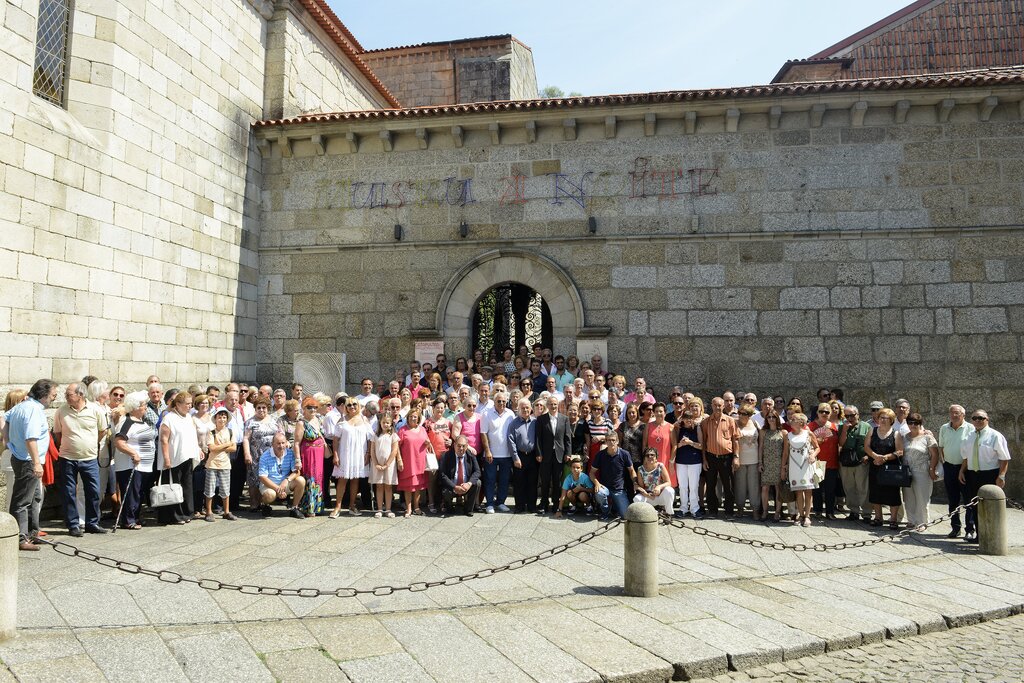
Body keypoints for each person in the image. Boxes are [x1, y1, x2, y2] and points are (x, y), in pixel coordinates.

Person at [4, 379, 57, 550]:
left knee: (34, 498)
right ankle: (19, 538)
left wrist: (7, 440)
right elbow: (31, 438)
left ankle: (33, 532)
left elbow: (2, 418)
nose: (54, 398)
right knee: (22, 501)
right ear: (43, 395)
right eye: (53, 395)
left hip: (22, 458)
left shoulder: (23, 406)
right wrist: (36, 463)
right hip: (28, 460)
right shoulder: (33, 409)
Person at [53, 382, 109, 536]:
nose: (65, 397)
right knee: (68, 492)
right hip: (67, 458)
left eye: (69, 394)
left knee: (93, 491)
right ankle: (73, 525)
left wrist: (89, 444)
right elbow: (57, 433)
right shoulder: (61, 411)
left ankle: (92, 523)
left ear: (81, 395)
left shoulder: (95, 410)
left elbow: (102, 431)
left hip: (89, 458)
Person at [958, 410, 1011, 544]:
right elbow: (966, 457)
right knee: (975, 506)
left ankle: (993, 536)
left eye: (980, 418)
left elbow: (1004, 459)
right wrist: (962, 471)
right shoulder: (969, 436)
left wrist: (1002, 476)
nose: (977, 421)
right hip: (972, 474)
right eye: (974, 418)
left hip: (989, 474)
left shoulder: (995, 436)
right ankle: (980, 535)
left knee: (991, 506)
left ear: (987, 419)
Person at [112, 391, 157, 530]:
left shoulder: (141, 421)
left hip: (144, 466)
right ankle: (128, 520)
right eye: (144, 405)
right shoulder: (127, 422)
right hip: (130, 465)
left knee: (138, 492)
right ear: (136, 407)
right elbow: (119, 442)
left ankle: (135, 517)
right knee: (131, 491)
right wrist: (133, 453)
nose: (146, 408)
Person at [157, 391, 201, 525]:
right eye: (187, 404)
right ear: (178, 404)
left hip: (187, 456)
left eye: (190, 404)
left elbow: (191, 436)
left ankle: (187, 512)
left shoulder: (188, 417)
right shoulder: (169, 418)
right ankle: (174, 516)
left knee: (186, 486)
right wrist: (167, 458)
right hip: (173, 457)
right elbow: (164, 440)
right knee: (173, 486)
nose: (189, 406)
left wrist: (197, 449)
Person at [331, 399, 372, 517]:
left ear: (358, 405)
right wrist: (335, 454)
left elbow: (370, 438)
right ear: (346, 407)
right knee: (342, 479)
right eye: (349, 404)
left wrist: (368, 453)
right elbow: (335, 439)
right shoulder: (342, 420)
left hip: (359, 454)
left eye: (354, 404)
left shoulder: (364, 419)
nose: (352, 406)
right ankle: (337, 507)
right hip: (345, 454)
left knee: (355, 479)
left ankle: (352, 505)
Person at [865, 407, 904, 529]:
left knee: (892, 494)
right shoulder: (872, 430)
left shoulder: (896, 433)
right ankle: (878, 517)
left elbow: (900, 452)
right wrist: (875, 456)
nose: (883, 420)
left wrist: (885, 458)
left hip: (890, 468)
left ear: (891, 420)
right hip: (875, 466)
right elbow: (866, 446)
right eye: (881, 417)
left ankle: (893, 519)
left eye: (886, 418)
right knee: (875, 492)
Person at [937, 404, 972, 538]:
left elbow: (970, 451)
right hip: (949, 467)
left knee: (969, 500)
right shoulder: (944, 428)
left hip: (966, 468)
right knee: (952, 500)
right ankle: (955, 528)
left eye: (956, 413)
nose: (953, 415)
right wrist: (944, 462)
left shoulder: (970, 428)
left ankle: (970, 529)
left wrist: (963, 468)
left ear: (963, 414)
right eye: (951, 412)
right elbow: (941, 446)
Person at [700, 397, 739, 518]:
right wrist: (704, 459)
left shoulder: (730, 421)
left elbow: (735, 440)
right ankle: (712, 510)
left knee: (728, 485)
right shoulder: (705, 422)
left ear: (723, 406)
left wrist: (736, 457)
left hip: (726, 458)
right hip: (711, 457)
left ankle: (729, 511)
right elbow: (704, 442)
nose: (717, 407)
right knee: (710, 485)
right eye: (715, 405)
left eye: (720, 405)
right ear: (711, 406)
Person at [901, 412, 940, 529]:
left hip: (922, 470)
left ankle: (922, 522)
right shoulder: (904, 437)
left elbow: (935, 455)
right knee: (908, 497)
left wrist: (932, 469)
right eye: (910, 422)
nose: (913, 425)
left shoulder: (928, 437)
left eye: (916, 423)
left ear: (920, 423)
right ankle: (911, 520)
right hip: (907, 471)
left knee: (922, 497)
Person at [242, 397, 281, 513]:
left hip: (271, 455)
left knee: (268, 478)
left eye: (264, 407)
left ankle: (266, 503)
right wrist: (247, 454)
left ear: (268, 408)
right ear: (255, 409)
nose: (261, 410)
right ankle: (254, 504)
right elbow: (245, 439)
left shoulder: (274, 420)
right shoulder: (251, 422)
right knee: (254, 480)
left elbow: (280, 435)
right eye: (258, 408)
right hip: (256, 455)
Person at [781, 412, 820, 527]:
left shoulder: (808, 433)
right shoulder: (788, 435)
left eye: (793, 419)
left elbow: (817, 447)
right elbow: (785, 453)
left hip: (807, 466)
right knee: (798, 492)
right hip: (794, 466)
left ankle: (807, 516)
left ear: (801, 422)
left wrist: (813, 455)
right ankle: (800, 514)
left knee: (808, 491)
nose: (790, 420)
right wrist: (783, 468)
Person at [480, 392, 515, 514]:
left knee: (504, 480)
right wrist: (487, 450)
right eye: (499, 401)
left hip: (506, 454)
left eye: (504, 401)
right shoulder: (486, 414)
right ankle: (489, 503)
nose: (501, 403)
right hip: (491, 454)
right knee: (490, 479)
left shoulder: (510, 414)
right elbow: (483, 433)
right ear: (494, 402)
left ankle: (500, 502)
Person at [537, 395, 572, 513]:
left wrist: (568, 453)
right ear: (547, 406)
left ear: (558, 405)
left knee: (557, 481)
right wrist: (539, 453)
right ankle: (544, 503)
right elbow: (538, 438)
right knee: (545, 480)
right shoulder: (541, 419)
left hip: (559, 455)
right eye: (551, 404)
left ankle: (556, 504)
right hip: (545, 455)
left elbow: (567, 438)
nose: (553, 406)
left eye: (555, 404)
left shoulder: (564, 419)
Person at [838, 405, 872, 523]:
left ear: (858, 415)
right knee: (849, 487)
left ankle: (867, 513)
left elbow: (870, 444)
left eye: (852, 415)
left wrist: (868, 456)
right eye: (847, 416)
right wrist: (845, 431)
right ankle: (854, 511)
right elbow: (841, 443)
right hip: (846, 461)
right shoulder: (842, 427)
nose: (850, 418)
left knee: (863, 487)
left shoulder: (866, 426)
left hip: (861, 461)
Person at [258, 432, 305, 518]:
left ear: (286, 442)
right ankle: (265, 505)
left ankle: (294, 508)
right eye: (278, 443)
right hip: (269, 485)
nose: (281, 446)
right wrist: (277, 488)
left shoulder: (290, 453)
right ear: (272, 444)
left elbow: (297, 472)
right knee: (269, 495)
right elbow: (262, 477)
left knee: (301, 480)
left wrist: (287, 480)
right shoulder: (265, 456)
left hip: (285, 483)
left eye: (283, 443)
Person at [591, 431, 635, 520]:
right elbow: (591, 473)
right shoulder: (600, 455)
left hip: (618, 489)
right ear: (605, 442)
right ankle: (605, 511)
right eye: (608, 440)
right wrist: (597, 483)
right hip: (604, 487)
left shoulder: (624, 454)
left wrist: (635, 483)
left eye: (613, 440)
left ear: (617, 441)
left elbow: (631, 471)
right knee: (599, 493)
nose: (611, 442)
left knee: (625, 516)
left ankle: (614, 508)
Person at [397, 409, 433, 517]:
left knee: (418, 486)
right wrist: (399, 459)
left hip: (420, 461)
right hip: (408, 461)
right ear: (407, 418)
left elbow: (428, 446)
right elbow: (397, 447)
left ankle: (416, 507)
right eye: (411, 416)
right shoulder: (403, 430)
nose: (413, 418)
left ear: (418, 418)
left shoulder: (422, 429)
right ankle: (408, 509)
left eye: (415, 417)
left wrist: (428, 443)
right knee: (408, 486)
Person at [204, 407, 237, 521]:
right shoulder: (211, 432)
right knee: (210, 488)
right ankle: (209, 512)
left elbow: (234, 448)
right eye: (219, 417)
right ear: (215, 418)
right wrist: (226, 445)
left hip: (225, 464)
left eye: (224, 417)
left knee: (225, 488)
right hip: (212, 464)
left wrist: (221, 447)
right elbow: (212, 448)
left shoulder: (230, 431)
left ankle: (226, 511)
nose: (222, 419)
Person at [295, 398, 326, 517]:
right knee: (310, 479)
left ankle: (317, 506)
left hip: (319, 454)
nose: (313, 409)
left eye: (315, 407)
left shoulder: (318, 420)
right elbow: (297, 443)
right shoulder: (301, 423)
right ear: (304, 409)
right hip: (308, 453)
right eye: (309, 407)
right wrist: (298, 459)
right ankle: (308, 507)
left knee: (319, 479)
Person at [508, 397, 540, 513]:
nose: (525, 409)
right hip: (520, 456)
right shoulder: (513, 424)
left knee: (532, 482)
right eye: (523, 408)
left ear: (531, 408)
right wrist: (515, 458)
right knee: (519, 483)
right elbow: (510, 441)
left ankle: (532, 506)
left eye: (527, 407)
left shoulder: (536, 422)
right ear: (518, 409)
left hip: (533, 456)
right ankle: (519, 506)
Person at [758, 409, 790, 522]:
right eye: (769, 417)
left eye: (773, 417)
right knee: (765, 488)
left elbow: (785, 451)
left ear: (777, 419)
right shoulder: (763, 432)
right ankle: (765, 511)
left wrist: (783, 467)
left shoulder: (783, 433)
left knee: (778, 488)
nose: (771, 419)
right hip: (766, 463)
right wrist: (760, 462)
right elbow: (760, 447)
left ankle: (777, 512)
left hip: (778, 463)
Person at [810, 403, 840, 519]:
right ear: (817, 412)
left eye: (827, 412)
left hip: (832, 461)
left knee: (830, 489)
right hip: (817, 461)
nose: (824, 414)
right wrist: (816, 441)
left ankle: (830, 511)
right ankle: (817, 510)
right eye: (821, 411)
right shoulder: (811, 426)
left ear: (830, 413)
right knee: (817, 488)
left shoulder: (834, 426)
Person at [439, 435, 480, 517]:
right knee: (445, 489)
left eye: (464, 446)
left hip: (465, 485)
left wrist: (468, 484)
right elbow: (442, 475)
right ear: (454, 445)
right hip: (452, 486)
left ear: (467, 446)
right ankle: (449, 508)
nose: (461, 448)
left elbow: (477, 471)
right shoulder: (446, 456)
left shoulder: (471, 456)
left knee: (477, 483)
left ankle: (468, 509)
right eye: (459, 446)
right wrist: (454, 487)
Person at [733, 404, 761, 519]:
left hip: (754, 459)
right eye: (739, 413)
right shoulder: (735, 424)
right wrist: (735, 457)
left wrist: (760, 460)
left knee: (754, 486)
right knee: (740, 485)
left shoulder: (755, 423)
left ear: (749, 415)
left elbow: (761, 440)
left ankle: (755, 509)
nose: (741, 415)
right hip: (740, 459)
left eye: (744, 414)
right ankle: (740, 508)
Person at [369, 413, 399, 518]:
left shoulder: (393, 435)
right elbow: (372, 451)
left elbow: (395, 450)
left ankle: (388, 508)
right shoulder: (375, 435)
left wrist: (387, 464)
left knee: (388, 486)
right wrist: (376, 463)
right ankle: (380, 509)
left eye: (388, 423)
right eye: (383, 422)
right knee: (379, 486)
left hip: (389, 465)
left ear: (391, 424)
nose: (385, 425)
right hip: (377, 464)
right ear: (380, 423)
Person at [633, 447, 675, 513]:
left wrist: (659, 487)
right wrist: (647, 495)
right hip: (648, 496)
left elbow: (668, 482)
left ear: (656, 457)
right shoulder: (640, 469)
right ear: (644, 458)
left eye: (652, 455)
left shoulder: (660, 466)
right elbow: (641, 487)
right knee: (637, 499)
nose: (650, 457)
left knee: (669, 491)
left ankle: (669, 514)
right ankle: (653, 514)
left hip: (660, 495)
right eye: (647, 455)